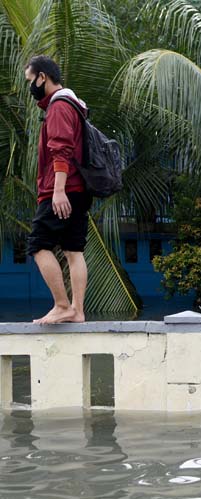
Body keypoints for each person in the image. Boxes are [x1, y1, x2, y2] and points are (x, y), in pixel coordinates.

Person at [24, 55, 91, 324]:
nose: (30, 87)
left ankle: (62, 306)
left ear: (43, 77)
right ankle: (77, 311)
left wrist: (58, 191)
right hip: (79, 188)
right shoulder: (74, 104)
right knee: (73, 250)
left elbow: (60, 149)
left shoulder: (59, 106)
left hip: (62, 187)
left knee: (38, 245)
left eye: (31, 80)